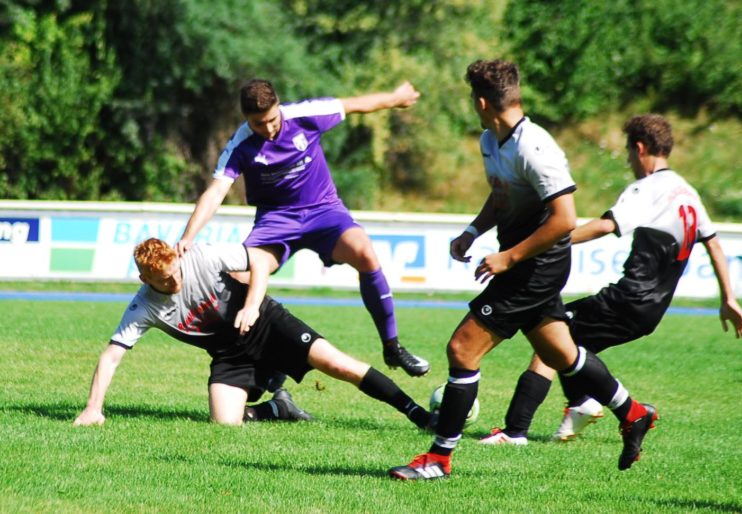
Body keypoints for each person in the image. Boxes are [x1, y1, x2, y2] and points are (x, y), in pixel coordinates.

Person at [388, 59, 657, 480]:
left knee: (462, 348)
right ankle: (634, 412)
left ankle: (439, 459)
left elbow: (564, 220)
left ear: (481, 101)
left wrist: (508, 257)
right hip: (526, 265)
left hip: (537, 267)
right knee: (562, 354)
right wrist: (473, 231)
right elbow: (500, 198)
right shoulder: (491, 140)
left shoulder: (536, 147)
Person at [479, 114, 742, 446]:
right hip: (652, 309)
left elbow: (605, 225)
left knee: (552, 341)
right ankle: (581, 405)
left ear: (639, 148)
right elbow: (713, 243)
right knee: (569, 343)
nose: (627, 161)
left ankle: (519, 430)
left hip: (629, 299)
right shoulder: (688, 192)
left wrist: (550, 240)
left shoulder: (649, 187)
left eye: (627, 153)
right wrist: (729, 298)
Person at [175, 79, 429, 377]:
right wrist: (188, 236)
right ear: (246, 119)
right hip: (276, 221)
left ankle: (392, 347)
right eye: (258, 124)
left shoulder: (305, 115)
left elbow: (355, 104)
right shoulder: (240, 145)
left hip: (324, 210)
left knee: (366, 254)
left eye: (271, 119)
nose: (268, 129)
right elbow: (216, 192)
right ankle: (259, 364)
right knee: (241, 280)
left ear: (278, 106)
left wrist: (395, 97)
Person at [73, 238, 436, 432]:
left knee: (338, 365)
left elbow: (260, 260)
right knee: (224, 423)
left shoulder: (200, 256)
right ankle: (278, 407)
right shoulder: (144, 306)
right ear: (144, 281)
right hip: (230, 354)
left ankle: (419, 415)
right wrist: (93, 408)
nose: (175, 281)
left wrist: (251, 304)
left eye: (174, 272)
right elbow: (112, 355)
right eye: (163, 280)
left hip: (266, 324)